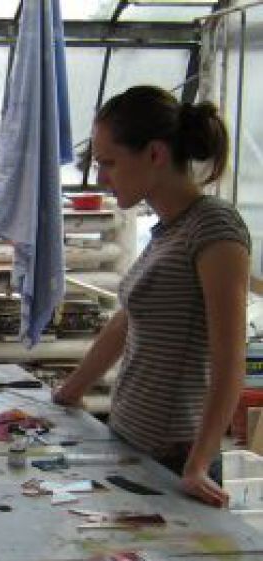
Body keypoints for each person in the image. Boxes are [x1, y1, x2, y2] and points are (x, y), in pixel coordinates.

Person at [53, 85, 250, 508]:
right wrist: (71, 390)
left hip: (176, 458)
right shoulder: (168, 229)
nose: (101, 178)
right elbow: (127, 320)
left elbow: (230, 358)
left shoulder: (213, 228)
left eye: (109, 163)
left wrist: (199, 463)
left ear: (155, 154)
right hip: (133, 440)